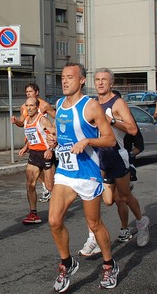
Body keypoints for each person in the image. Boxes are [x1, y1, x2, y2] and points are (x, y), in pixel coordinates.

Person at [46, 63, 119, 291]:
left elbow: (110, 140)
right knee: (54, 221)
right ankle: (67, 263)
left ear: (82, 81)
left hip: (88, 173)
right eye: (62, 77)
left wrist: (88, 141)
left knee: (94, 224)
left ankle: (109, 265)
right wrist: (55, 140)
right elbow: (64, 134)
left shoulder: (91, 106)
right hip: (66, 172)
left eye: (70, 77)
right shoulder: (59, 105)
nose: (65, 81)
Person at [78, 68, 150, 257]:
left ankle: (142, 223)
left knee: (124, 197)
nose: (100, 83)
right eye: (98, 79)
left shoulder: (117, 103)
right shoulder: (91, 104)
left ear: (111, 83)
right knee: (94, 196)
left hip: (117, 153)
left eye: (104, 80)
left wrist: (111, 121)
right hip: (97, 155)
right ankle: (93, 237)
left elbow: (133, 129)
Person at [12, 83, 56, 202]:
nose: (28, 94)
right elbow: (23, 123)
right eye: (26, 92)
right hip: (33, 143)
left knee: (50, 184)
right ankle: (34, 210)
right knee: (31, 183)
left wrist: (52, 142)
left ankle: (56, 189)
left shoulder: (44, 106)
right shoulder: (24, 108)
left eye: (30, 92)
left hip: (46, 143)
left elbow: (57, 117)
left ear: (36, 92)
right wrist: (16, 122)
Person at [18, 97, 56, 224]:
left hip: (46, 154)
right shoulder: (27, 120)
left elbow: (54, 135)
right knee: (30, 184)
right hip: (34, 154)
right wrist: (26, 146)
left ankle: (58, 210)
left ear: (37, 107)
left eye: (31, 105)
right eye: (27, 105)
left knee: (51, 187)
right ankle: (33, 214)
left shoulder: (43, 120)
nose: (28, 108)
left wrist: (50, 149)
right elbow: (32, 136)